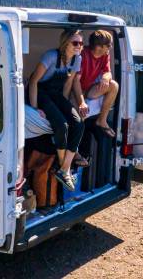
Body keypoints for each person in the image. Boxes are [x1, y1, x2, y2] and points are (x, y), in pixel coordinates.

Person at [28, 29, 88, 191]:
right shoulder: (51, 56)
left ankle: (64, 169)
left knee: (78, 123)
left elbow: (67, 85)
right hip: (40, 92)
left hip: (55, 94)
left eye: (81, 43)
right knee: (62, 125)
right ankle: (64, 166)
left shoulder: (77, 59)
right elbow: (33, 82)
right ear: (65, 43)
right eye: (75, 43)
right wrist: (34, 108)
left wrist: (65, 105)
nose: (79, 46)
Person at [74, 30, 119, 137]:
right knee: (76, 120)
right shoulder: (83, 55)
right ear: (99, 47)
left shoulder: (105, 55)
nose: (110, 47)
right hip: (75, 91)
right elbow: (75, 82)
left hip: (89, 89)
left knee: (114, 86)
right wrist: (81, 102)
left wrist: (105, 77)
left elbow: (108, 72)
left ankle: (101, 121)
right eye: (108, 45)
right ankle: (73, 151)